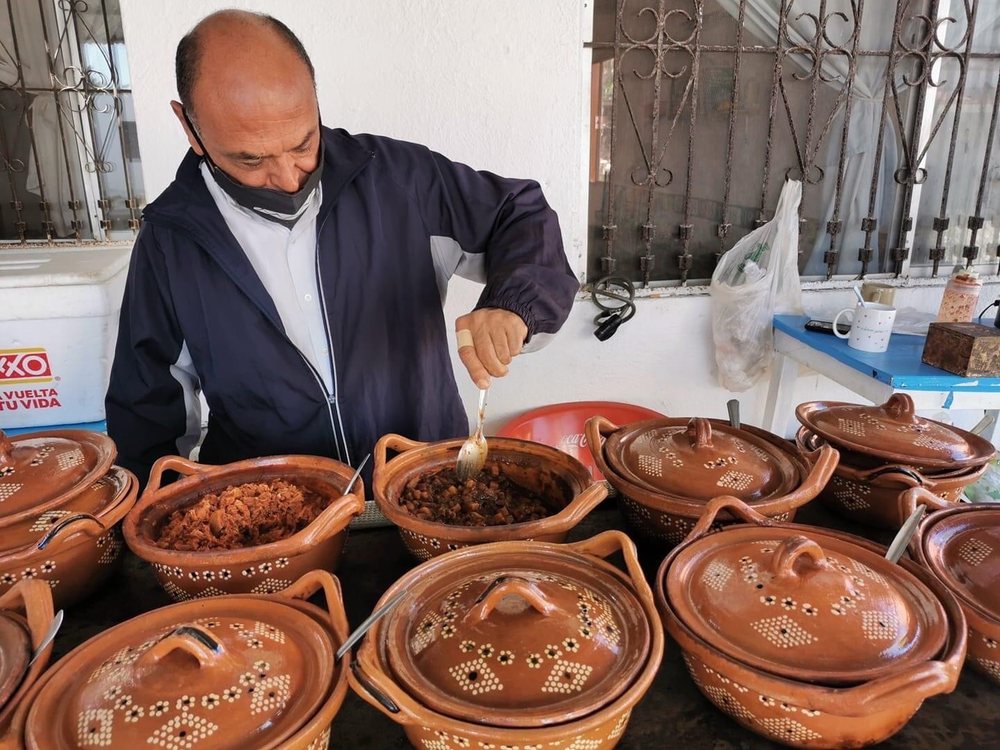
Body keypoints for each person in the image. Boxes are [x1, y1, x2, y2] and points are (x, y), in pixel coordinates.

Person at [105, 10, 578, 487]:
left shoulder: (399, 179)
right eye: (250, 159)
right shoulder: (171, 240)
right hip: (274, 518)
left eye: (303, 142)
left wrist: (512, 306)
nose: (289, 178)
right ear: (189, 128)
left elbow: (518, 213)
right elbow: (146, 412)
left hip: (425, 490)